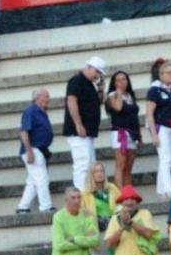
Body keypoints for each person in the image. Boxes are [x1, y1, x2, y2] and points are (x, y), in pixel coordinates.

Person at [63, 57, 106, 191]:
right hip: (79, 132)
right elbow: (71, 101)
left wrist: (100, 90)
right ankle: (81, 193)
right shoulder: (77, 81)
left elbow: (97, 103)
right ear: (90, 68)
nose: (98, 76)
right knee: (82, 164)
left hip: (88, 131)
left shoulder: (89, 84)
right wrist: (78, 124)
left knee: (89, 164)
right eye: (97, 72)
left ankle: (88, 191)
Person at [83, 162, 120, 255]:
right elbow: (84, 215)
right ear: (91, 175)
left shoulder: (112, 189)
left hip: (111, 231)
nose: (99, 174)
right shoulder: (86, 194)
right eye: (96, 171)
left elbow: (119, 206)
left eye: (101, 171)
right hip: (96, 232)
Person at [146, 58, 171, 200]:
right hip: (162, 127)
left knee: (167, 158)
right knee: (165, 157)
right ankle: (168, 189)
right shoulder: (154, 90)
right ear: (161, 75)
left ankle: (162, 190)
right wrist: (154, 134)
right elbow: (149, 112)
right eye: (168, 73)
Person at [18, 88, 55, 213]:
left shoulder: (41, 112)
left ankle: (22, 207)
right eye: (46, 96)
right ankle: (46, 206)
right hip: (33, 149)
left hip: (40, 149)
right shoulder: (31, 111)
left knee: (33, 181)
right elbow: (24, 131)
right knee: (42, 178)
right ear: (37, 98)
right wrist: (29, 151)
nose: (48, 99)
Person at [105, 70, 141, 188]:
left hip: (132, 133)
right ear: (114, 83)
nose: (121, 82)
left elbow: (135, 117)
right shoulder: (112, 96)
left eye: (124, 79)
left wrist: (139, 136)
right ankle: (120, 194)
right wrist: (119, 93)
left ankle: (128, 191)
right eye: (118, 80)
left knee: (128, 167)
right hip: (120, 133)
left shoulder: (130, 96)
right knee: (121, 165)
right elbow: (118, 108)